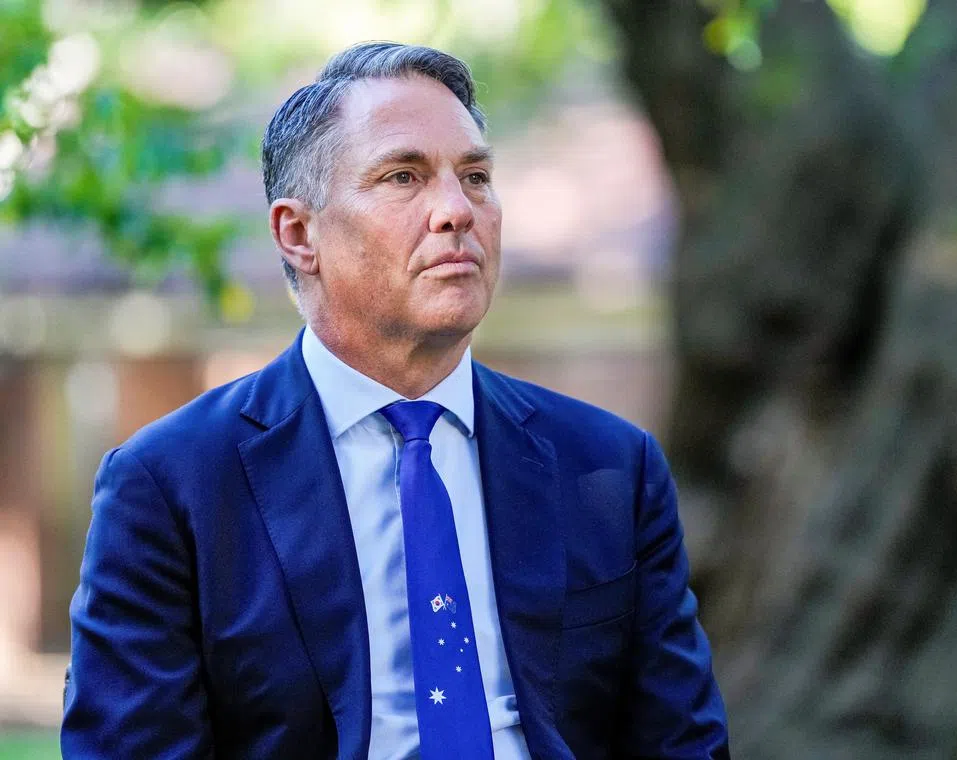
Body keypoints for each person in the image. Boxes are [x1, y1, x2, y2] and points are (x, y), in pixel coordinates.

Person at [61, 42, 729, 759]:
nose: (456, 211)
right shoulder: (172, 486)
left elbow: (681, 742)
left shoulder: (608, 469)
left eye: (475, 177)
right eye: (403, 176)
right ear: (298, 232)